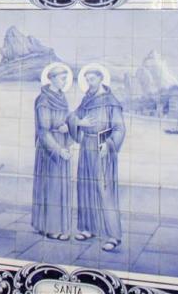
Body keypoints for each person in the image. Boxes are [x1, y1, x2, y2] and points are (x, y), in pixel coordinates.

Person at [68, 64, 126, 251]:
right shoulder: (87, 99)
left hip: (103, 147)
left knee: (104, 188)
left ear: (101, 79)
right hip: (87, 145)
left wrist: (109, 144)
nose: (89, 83)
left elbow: (119, 128)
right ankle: (88, 228)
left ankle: (113, 236)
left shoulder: (111, 102)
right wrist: (79, 122)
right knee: (85, 186)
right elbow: (72, 117)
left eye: (92, 79)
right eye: (87, 80)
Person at [33, 63, 74, 240]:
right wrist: (58, 150)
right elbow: (43, 130)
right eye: (63, 78)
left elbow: (66, 120)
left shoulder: (61, 97)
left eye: (66, 78)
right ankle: (50, 227)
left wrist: (68, 127)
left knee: (60, 186)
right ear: (52, 79)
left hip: (62, 143)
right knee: (51, 187)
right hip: (49, 149)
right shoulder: (43, 100)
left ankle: (58, 225)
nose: (65, 82)